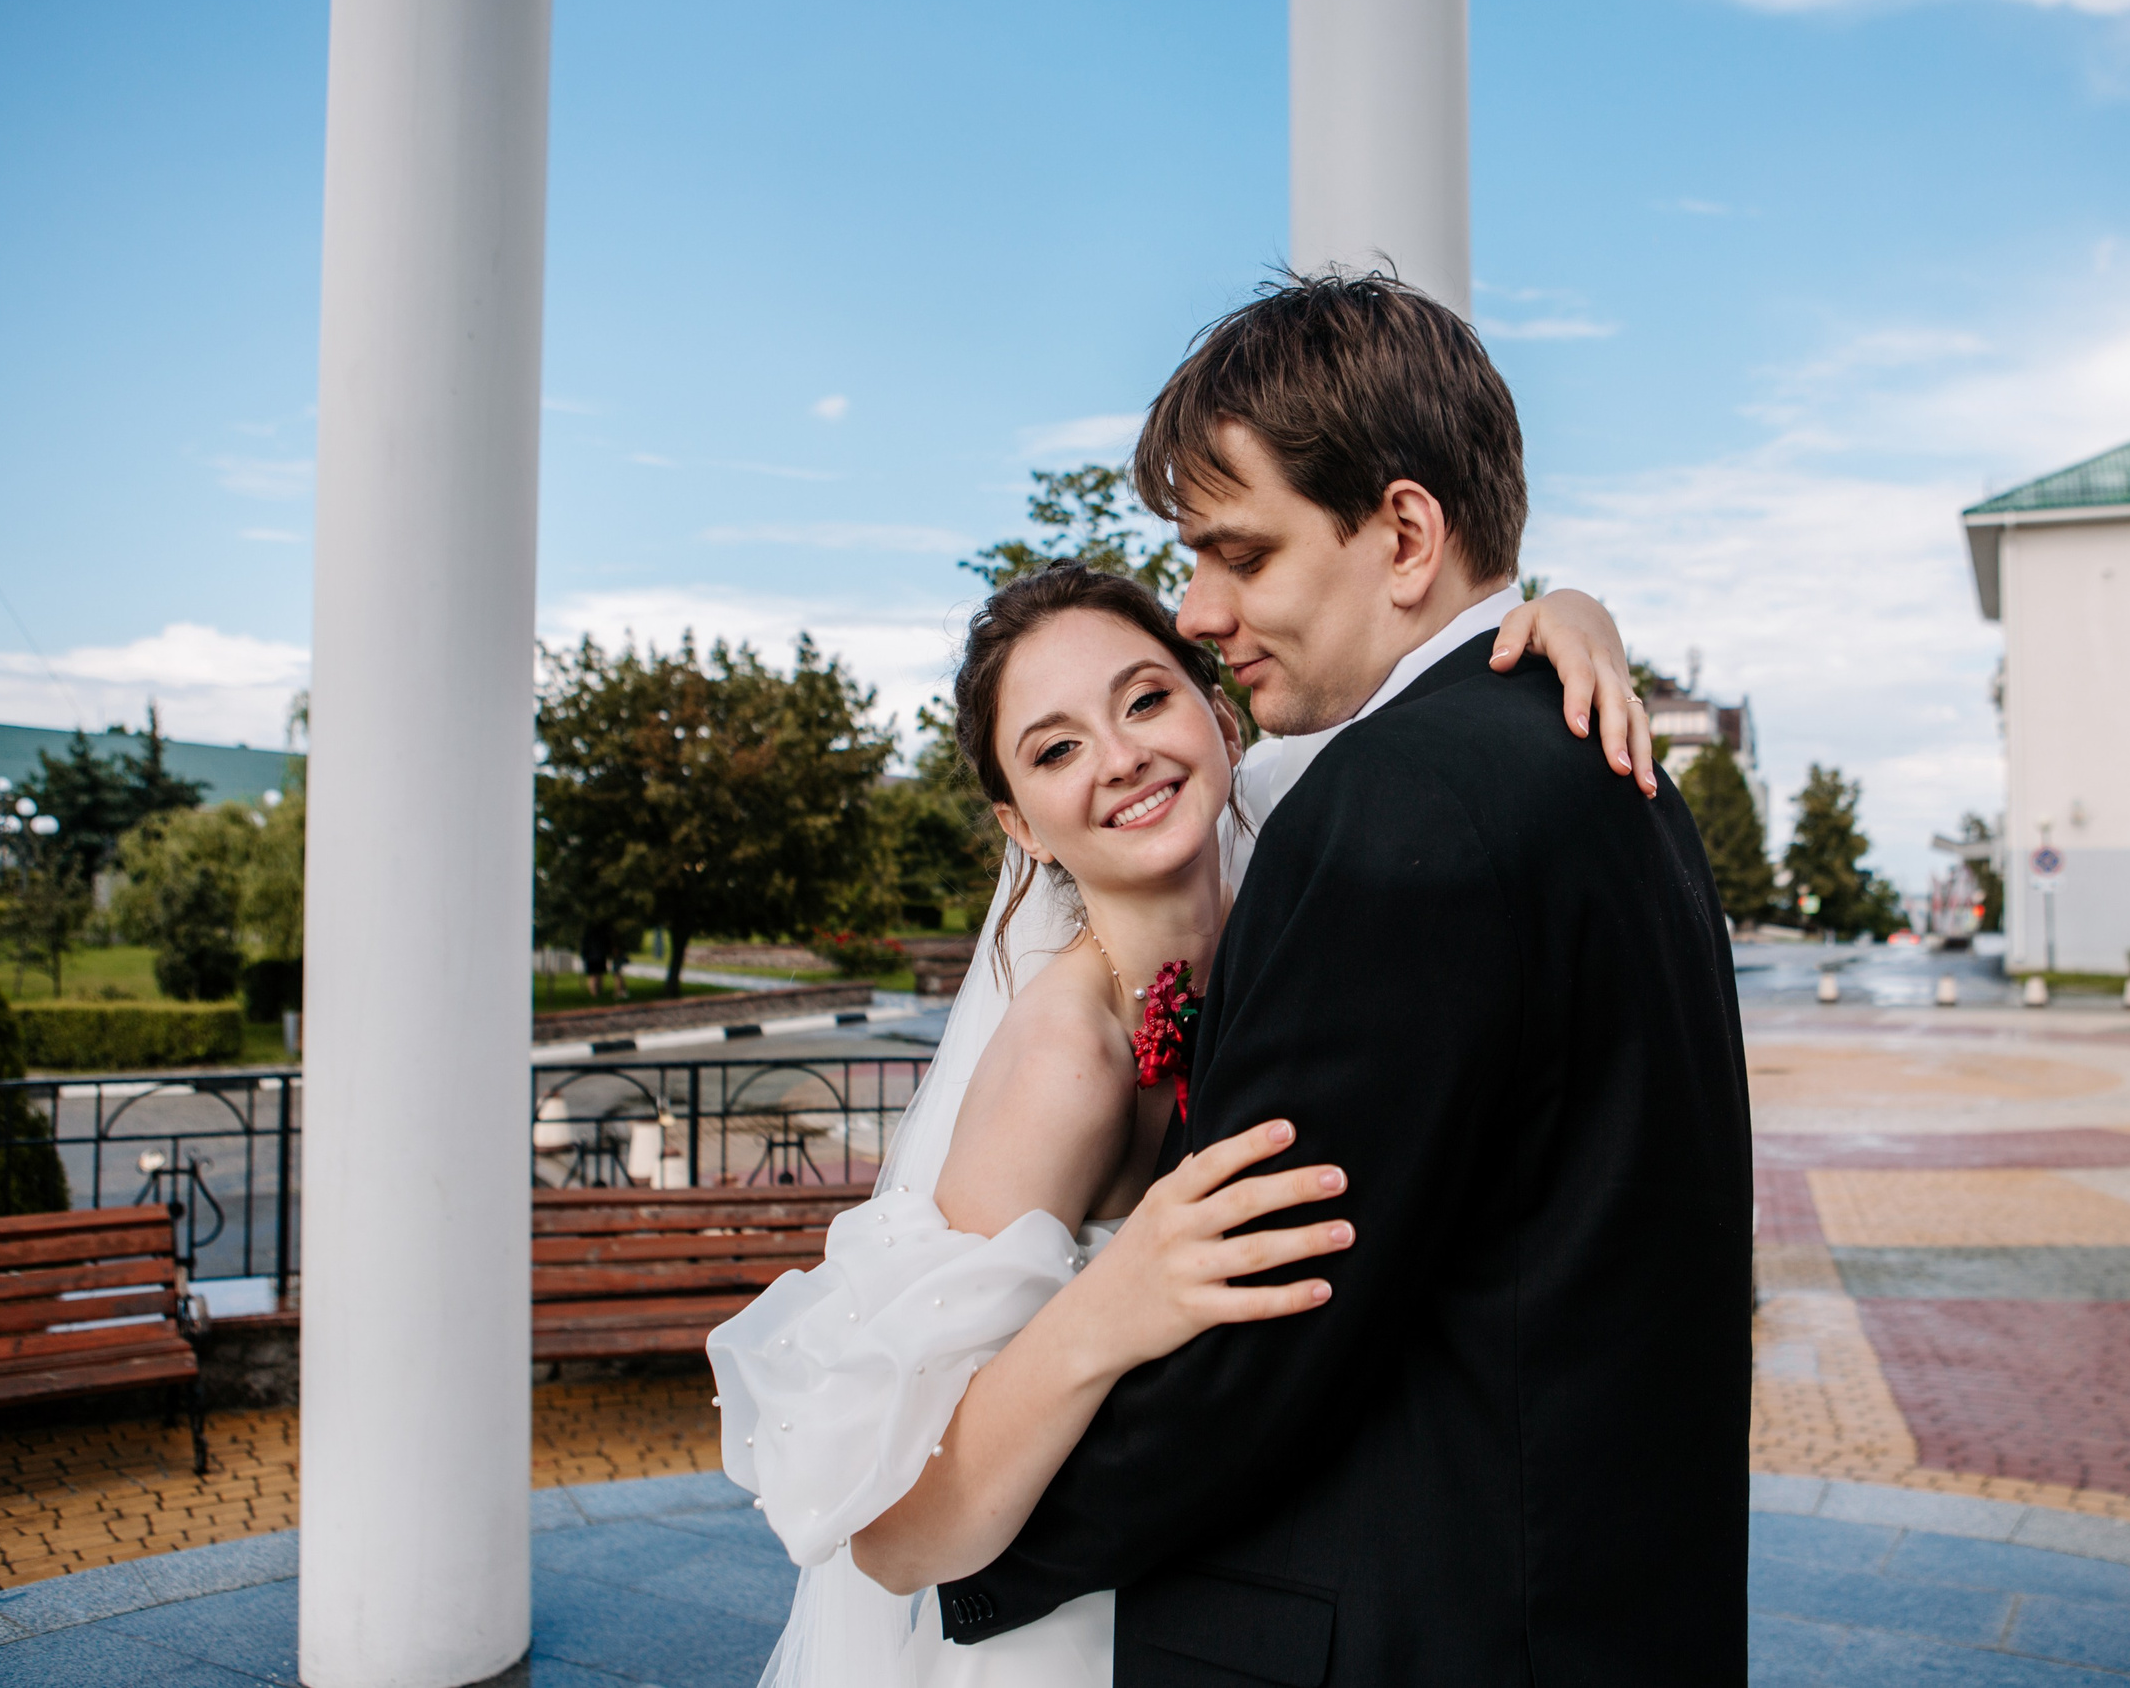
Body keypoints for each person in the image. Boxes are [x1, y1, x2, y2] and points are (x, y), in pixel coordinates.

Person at [715, 271, 1750, 1687]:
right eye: (1053, 749)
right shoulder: (1608, 768)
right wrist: (918, 1526)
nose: (1204, 610)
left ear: (1405, 534)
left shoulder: (1386, 808)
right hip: (1597, 1595)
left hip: (1423, 1617)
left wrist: (966, 1559)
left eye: (1241, 557)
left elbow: (1270, 1348)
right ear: (1017, 822)